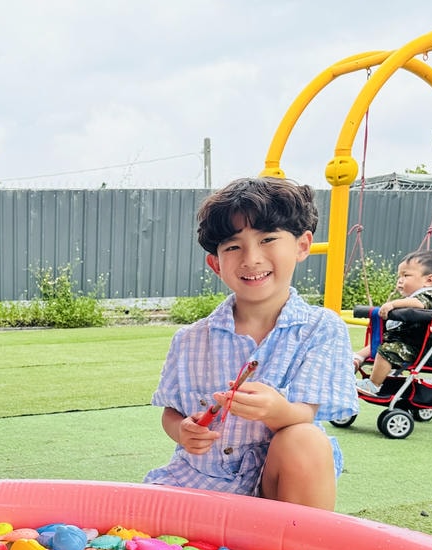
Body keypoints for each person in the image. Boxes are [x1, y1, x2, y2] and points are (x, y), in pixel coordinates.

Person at [144, 177, 357, 510]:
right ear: (216, 263)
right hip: (199, 480)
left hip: (275, 489)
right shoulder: (189, 339)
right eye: (232, 247)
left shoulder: (321, 328)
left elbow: (306, 413)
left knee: (306, 438)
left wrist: (277, 411)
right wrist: (182, 430)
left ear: (302, 245)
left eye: (268, 239)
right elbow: (172, 411)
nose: (251, 258)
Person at [354, 250, 432, 394]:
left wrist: (394, 304)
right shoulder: (409, 299)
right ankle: (355, 360)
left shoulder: (429, 296)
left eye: (406, 275)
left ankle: (373, 384)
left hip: (413, 347)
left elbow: (419, 304)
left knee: (386, 350)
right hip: (397, 341)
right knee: (375, 345)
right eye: (399, 276)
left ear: (428, 280)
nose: (400, 280)